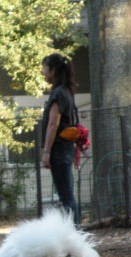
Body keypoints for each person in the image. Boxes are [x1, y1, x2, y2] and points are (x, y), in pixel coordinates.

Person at [41, 53, 80, 226]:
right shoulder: (66, 91)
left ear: (53, 70)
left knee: (66, 197)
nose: (43, 73)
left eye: (44, 68)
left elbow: (53, 125)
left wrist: (47, 151)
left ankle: (76, 234)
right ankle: (75, 234)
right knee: (67, 195)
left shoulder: (58, 93)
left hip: (59, 150)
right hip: (66, 149)